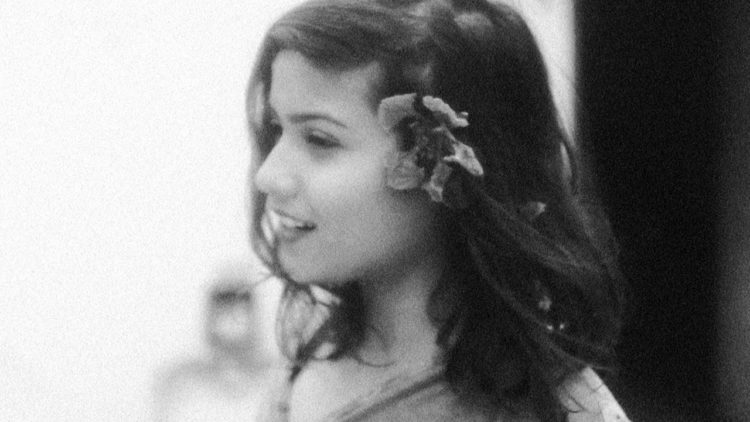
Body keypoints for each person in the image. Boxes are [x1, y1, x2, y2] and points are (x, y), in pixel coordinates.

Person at [246, 0, 630, 420]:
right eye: (277, 128)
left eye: (320, 139)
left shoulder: (552, 407)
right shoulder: (308, 357)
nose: (268, 176)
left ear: (443, 164)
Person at [152, 277, 275, 422]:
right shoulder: (180, 383)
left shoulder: (275, 378)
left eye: (237, 316)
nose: (231, 324)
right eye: (225, 313)